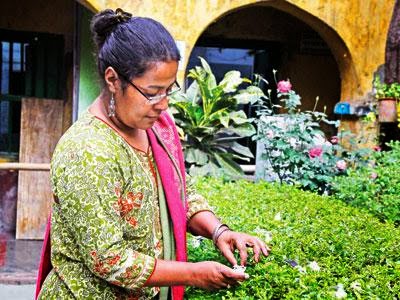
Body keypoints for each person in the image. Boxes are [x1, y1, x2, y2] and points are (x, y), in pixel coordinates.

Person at [36, 8, 270, 300]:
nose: (163, 104)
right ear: (112, 79)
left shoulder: (155, 127)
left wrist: (220, 231)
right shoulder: (87, 151)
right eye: (152, 92)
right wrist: (194, 273)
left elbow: (180, 192)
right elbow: (109, 260)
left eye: (169, 89)